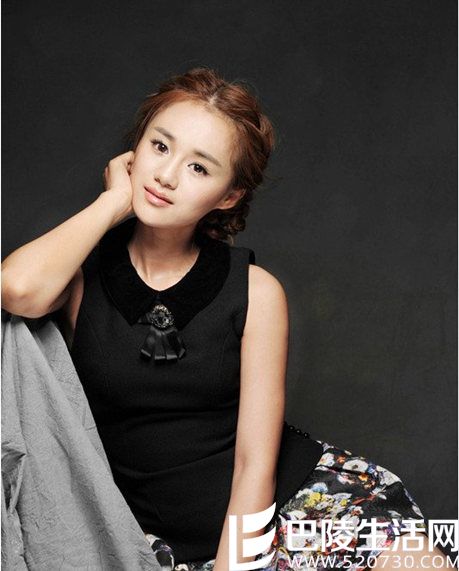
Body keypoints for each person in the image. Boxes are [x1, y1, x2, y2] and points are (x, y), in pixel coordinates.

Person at [1, 67, 450, 571]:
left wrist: (235, 566)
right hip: (156, 545)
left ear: (228, 196)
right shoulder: (80, 274)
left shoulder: (257, 292)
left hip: (286, 508)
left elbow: (255, 464)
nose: (166, 176)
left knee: (420, 564)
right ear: (132, 153)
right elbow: (16, 290)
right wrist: (111, 204)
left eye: (199, 168)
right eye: (160, 146)